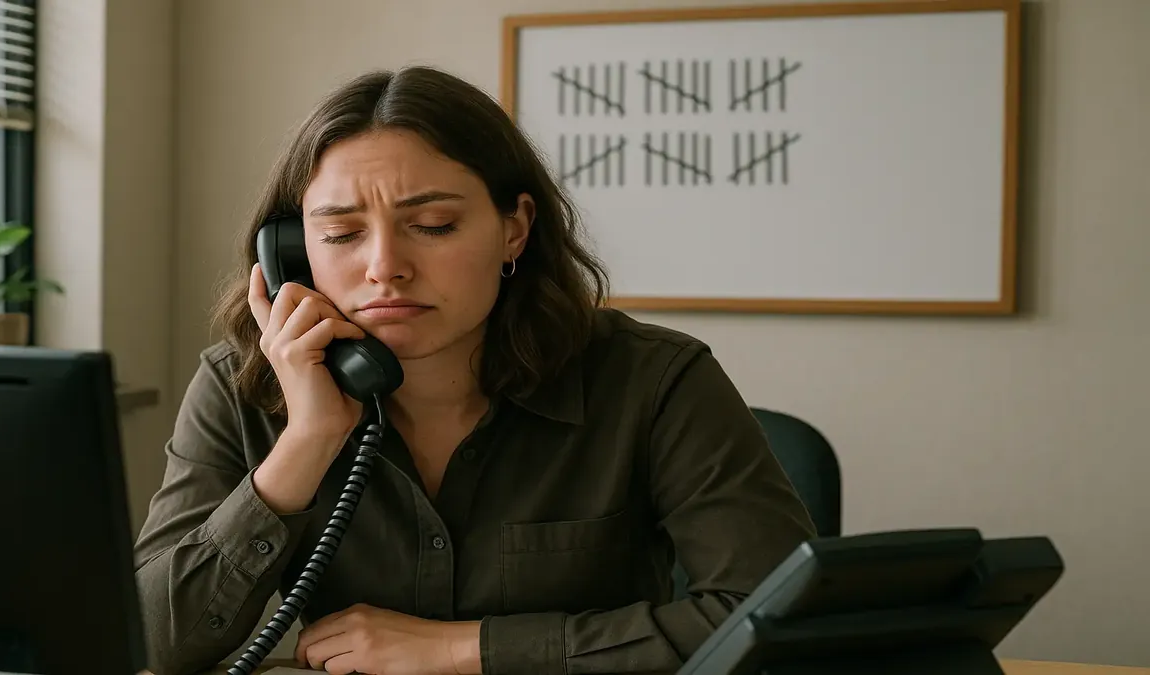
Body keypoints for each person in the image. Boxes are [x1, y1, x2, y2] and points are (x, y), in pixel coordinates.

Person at [133, 65, 816, 675]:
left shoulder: (655, 380)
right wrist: (305, 443)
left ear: (514, 229)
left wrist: (462, 648)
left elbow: (775, 615)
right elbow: (146, 645)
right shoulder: (239, 383)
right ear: (292, 253)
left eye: (432, 224)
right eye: (341, 234)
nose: (384, 267)